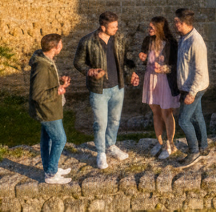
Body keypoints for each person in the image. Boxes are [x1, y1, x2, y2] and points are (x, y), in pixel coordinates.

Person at [73, 11, 139, 170]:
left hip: (118, 87)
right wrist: (90, 71)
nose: (116, 29)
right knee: (100, 123)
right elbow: (78, 62)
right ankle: (101, 153)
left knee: (115, 120)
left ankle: (111, 146)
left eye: (117, 25)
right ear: (103, 27)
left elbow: (125, 61)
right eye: (113, 27)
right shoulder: (87, 41)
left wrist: (131, 74)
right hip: (99, 89)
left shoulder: (120, 39)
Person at [28, 33, 72, 184]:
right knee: (60, 139)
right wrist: (57, 91)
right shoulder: (41, 66)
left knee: (47, 140)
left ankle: (50, 168)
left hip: (51, 108)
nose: (62, 46)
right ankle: (51, 174)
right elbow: (37, 94)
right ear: (55, 47)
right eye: (60, 44)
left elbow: (45, 83)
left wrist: (58, 81)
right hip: (47, 110)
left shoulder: (47, 60)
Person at [138, 16, 180, 160]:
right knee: (156, 112)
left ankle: (170, 145)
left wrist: (163, 68)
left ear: (159, 28)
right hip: (150, 79)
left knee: (166, 113)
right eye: (148, 27)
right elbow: (145, 57)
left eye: (151, 27)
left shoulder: (171, 43)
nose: (148, 29)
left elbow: (176, 66)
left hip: (165, 80)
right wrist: (143, 57)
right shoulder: (147, 40)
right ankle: (160, 143)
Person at [172, 7, 210, 167]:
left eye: (176, 22)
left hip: (195, 87)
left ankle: (194, 152)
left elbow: (200, 71)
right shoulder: (183, 38)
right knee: (197, 116)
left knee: (183, 121)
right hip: (188, 86)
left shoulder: (196, 42)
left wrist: (192, 93)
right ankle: (204, 147)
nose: (174, 25)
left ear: (182, 23)